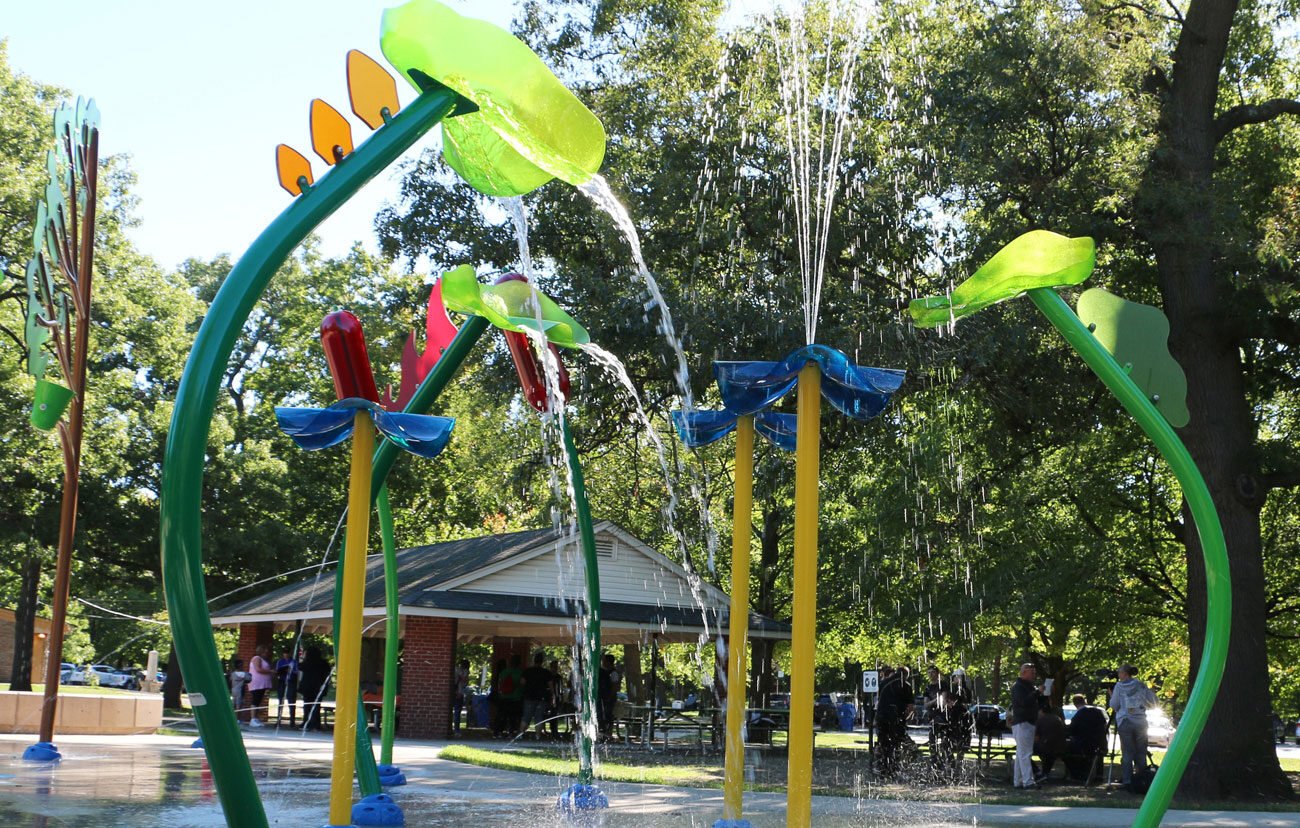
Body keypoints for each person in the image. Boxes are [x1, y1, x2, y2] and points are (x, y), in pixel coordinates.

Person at [1109, 663, 1157, 788]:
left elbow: (1114, 705)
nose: (1118, 675)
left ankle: (1127, 780)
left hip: (1125, 721)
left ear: (1124, 674)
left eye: (1119, 672)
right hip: (1141, 722)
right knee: (1141, 752)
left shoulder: (1119, 686)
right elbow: (1152, 702)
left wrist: (1111, 696)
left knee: (1127, 752)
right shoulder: (1141, 685)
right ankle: (1142, 779)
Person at [1009, 662, 1041, 789]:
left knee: (1021, 753)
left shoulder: (1028, 686)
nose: (1034, 674)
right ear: (1024, 672)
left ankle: (1018, 781)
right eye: (1032, 672)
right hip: (1023, 722)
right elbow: (1023, 702)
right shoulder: (1019, 687)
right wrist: (1037, 692)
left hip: (1025, 722)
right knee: (1025, 754)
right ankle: (1028, 781)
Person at [1065, 693, 1110, 781]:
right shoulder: (1097, 711)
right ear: (1084, 701)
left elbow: (1071, 730)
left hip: (1084, 744)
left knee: (1066, 752)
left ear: (1075, 704)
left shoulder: (1078, 715)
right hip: (1099, 743)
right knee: (1098, 752)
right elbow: (1104, 726)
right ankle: (1099, 775)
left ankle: (1077, 774)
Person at [873, 666, 908, 778]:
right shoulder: (905, 685)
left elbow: (879, 701)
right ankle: (893, 769)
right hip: (895, 719)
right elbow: (910, 707)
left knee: (883, 743)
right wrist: (904, 718)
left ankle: (882, 769)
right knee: (896, 744)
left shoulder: (884, 683)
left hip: (882, 717)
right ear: (906, 675)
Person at [521, 651, 554, 739]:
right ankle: (538, 735)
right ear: (542, 661)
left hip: (529, 697)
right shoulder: (546, 672)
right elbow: (551, 686)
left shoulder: (527, 671)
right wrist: (553, 695)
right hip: (541, 698)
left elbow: (522, 682)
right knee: (539, 717)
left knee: (526, 716)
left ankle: (521, 734)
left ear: (533, 660)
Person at [297, 646, 331, 732]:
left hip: (308, 687)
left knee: (307, 705)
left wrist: (302, 657)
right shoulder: (323, 663)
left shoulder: (307, 663)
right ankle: (316, 724)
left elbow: (300, 666)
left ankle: (307, 722)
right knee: (316, 706)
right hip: (318, 687)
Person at [1033, 697, 1067, 781]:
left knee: (1023, 752)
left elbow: (1036, 738)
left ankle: (1037, 771)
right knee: (1050, 752)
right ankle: (1045, 773)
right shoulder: (1057, 718)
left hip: (1046, 747)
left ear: (1041, 711)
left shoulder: (1040, 720)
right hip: (1060, 747)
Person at [247, 646, 275, 728]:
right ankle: (252, 719)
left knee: (258, 700)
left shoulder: (262, 659)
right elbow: (258, 669)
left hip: (262, 684)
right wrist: (270, 671)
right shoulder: (257, 658)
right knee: (255, 700)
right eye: (265, 652)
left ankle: (255, 718)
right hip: (257, 683)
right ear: (261, 652)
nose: (266, 654)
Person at [597, 653, 621, 740]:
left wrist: (610, 697)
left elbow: (615, 686)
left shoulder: (613, 673)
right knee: (601, 715)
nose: (602, 662)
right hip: (603, 697)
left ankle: (608, 733)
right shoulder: (603, 672)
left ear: (608, 662)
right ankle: (602, 732)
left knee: (608, 715)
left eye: (604, 661)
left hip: (609, 697)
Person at [500, 654, 525, 737]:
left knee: (503, 715)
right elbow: (522, 684)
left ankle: (499, 731)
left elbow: (500, 683)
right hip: (516, 697)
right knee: (514, 716)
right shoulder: (520, 672)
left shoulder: (504, 672)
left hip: (504, 697)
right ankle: (512, 731)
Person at [274, 648, 299, 727]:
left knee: (291, 700)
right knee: (280, 700)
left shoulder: (294, 662)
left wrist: (291, 671)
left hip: (291, 682)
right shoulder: (280, 661)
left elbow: (297, 671)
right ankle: (278, 720)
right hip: (282, 681)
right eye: (285, 653)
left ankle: (292, 720)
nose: (286, 654)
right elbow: (277, 671)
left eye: (287, 653)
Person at [452, 658, 470, 736]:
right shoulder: (464, 671)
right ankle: (457, 730)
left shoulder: (455, 669)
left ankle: (451, 728)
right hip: (459, 693)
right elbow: (464, 682)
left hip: (452, 692)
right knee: (457, 712)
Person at [228, 658, 250, 724]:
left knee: (233, 704)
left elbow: (230, 680)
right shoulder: (243, 674)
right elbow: (249, 679)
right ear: (240, 665)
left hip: (233, 690)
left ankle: (232, 718)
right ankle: (237, 719)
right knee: (239, 705)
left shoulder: (232, 674)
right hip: (240, 690)